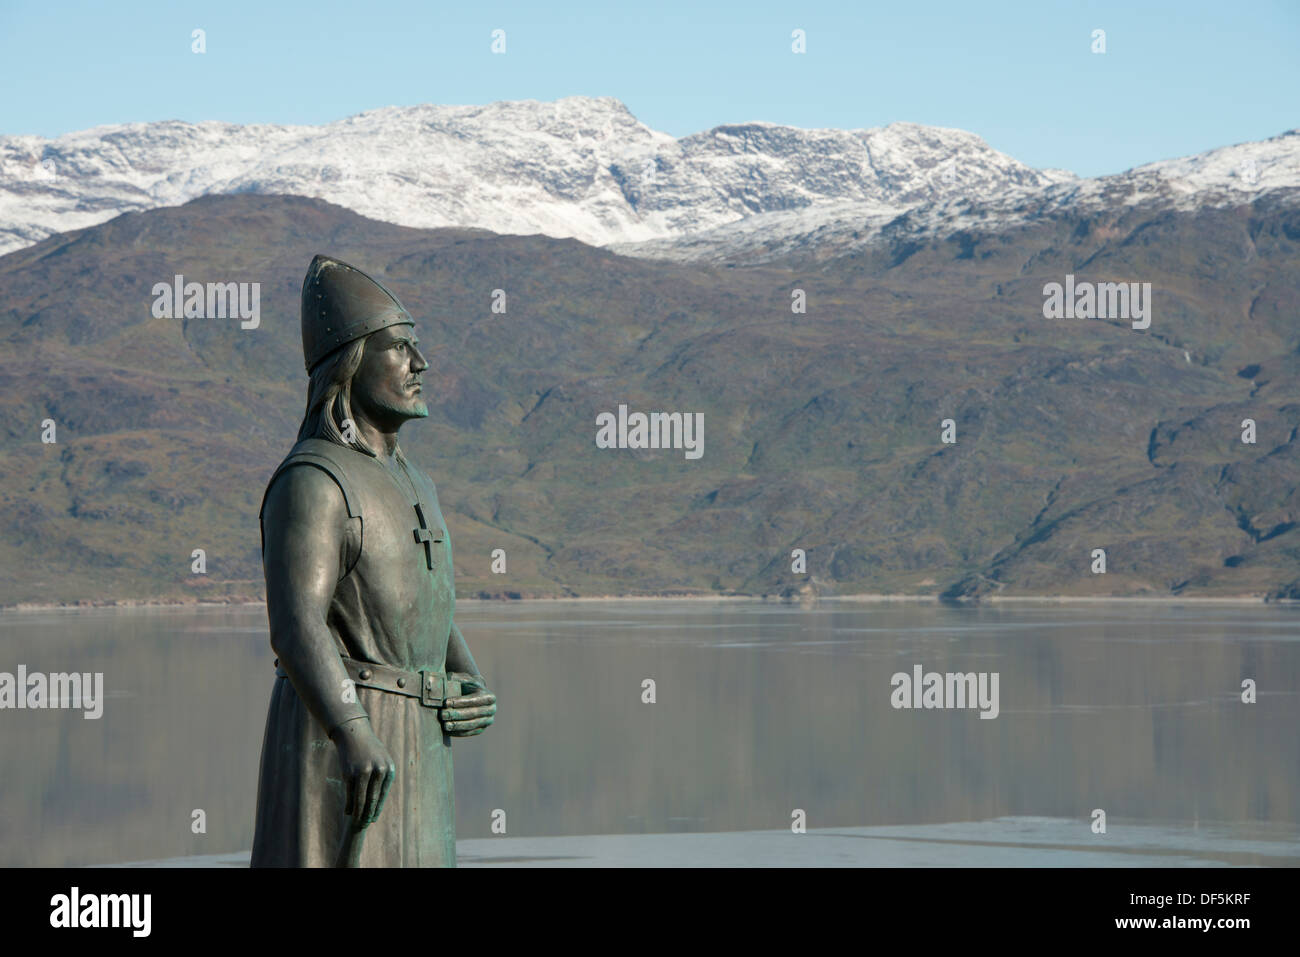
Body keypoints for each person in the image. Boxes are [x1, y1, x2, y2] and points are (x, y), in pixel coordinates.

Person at [251, 254, 496, 867]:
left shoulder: (417, 483)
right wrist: (351, 729)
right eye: (399, 348)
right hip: (346, 742)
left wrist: (466, 675)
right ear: (352, 362)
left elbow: (419, 601)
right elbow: (297, 623)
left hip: (418, 739)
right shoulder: (314, 480)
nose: (421, 364)